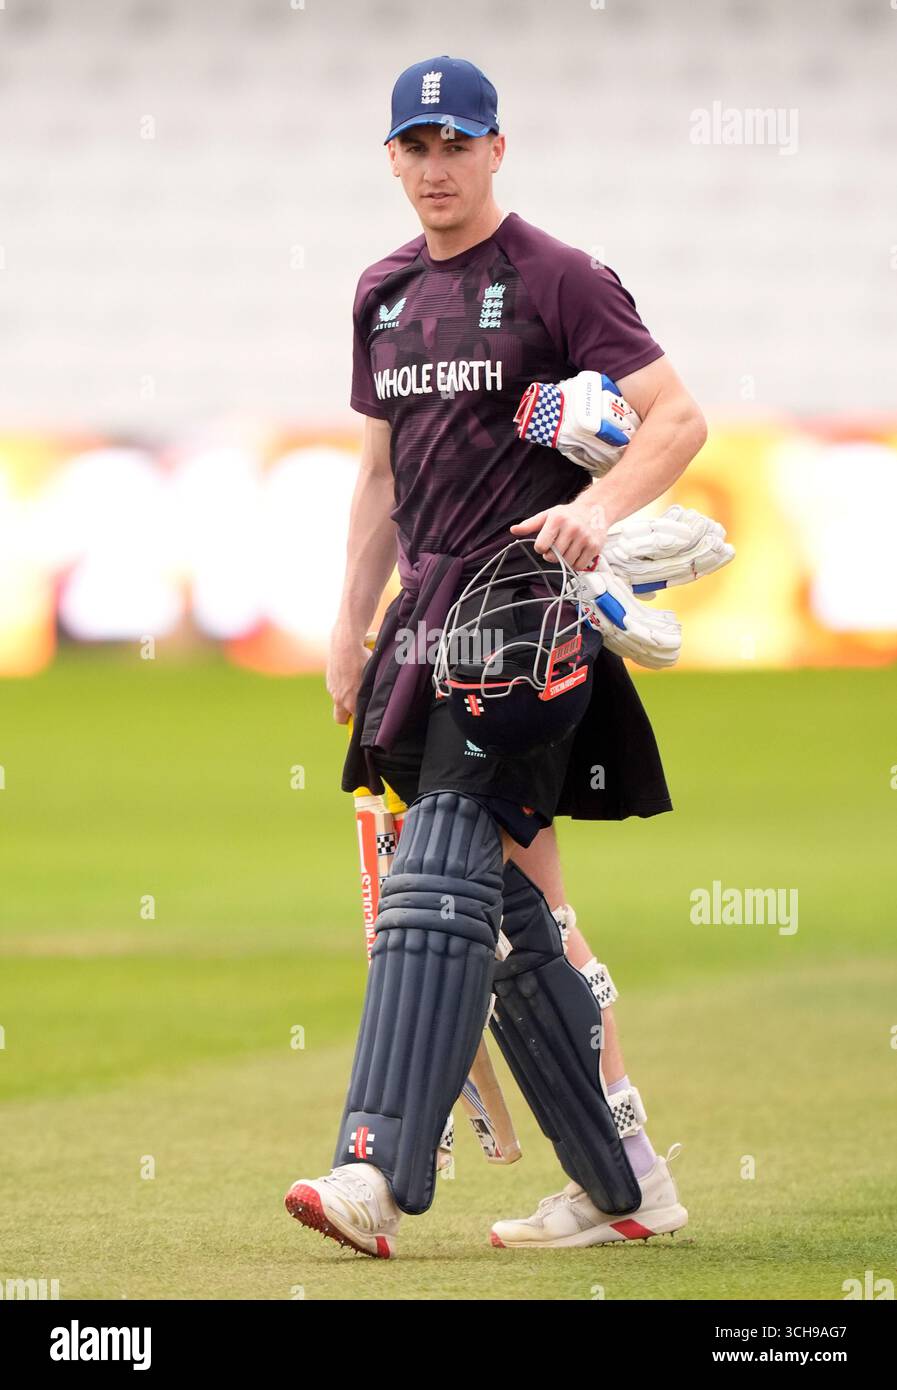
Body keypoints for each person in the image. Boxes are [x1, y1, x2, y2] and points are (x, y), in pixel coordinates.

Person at [285, 55, 706, 1256]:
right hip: (419, 633)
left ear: (496, 150)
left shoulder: (557, 275)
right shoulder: (380, 291)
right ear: (391, 159)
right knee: (528, 917)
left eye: (456, 144)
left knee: (437, 884)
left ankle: (373, 1170)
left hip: (523, 632)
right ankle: (624, 1175)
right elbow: (377, 476)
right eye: (414, 147)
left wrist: (601, 510)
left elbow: (676, 417)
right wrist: (347, 623)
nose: (435, 167)